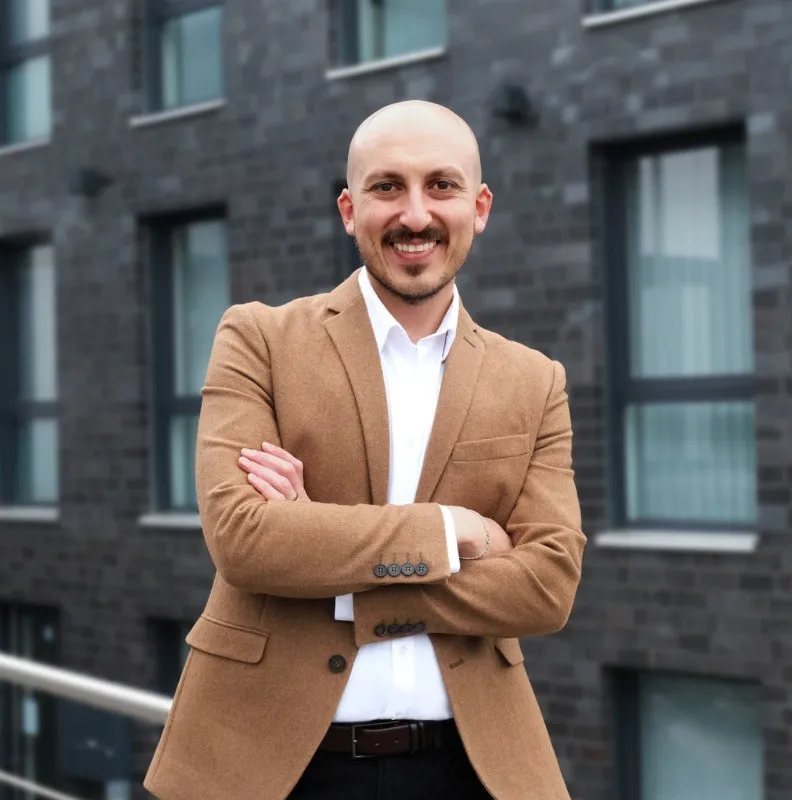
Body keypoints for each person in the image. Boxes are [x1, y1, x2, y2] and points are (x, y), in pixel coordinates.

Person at [144, 100, 585, 800]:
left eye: (440, 186)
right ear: (349, 209)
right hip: (268, 765)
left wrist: (330, 555)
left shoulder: (535, 381)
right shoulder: (258, 339)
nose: (415, 215)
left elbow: (548, 587)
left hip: (470, 768)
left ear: (480, 206)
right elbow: (245, 540)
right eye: (387, 188)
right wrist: (454, 532)